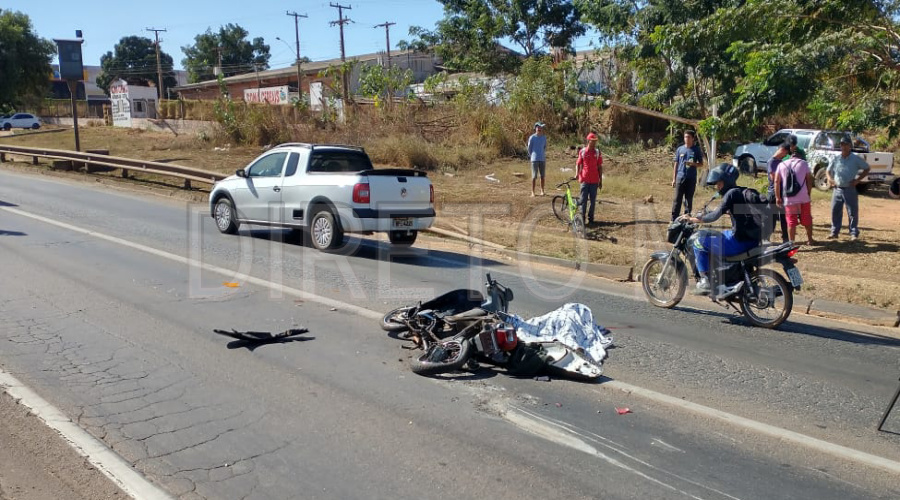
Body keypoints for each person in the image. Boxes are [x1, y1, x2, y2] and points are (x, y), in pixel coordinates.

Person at [686, 163, 767, 295]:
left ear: (726, 181)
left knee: (698, 242)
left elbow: (715, 216)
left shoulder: (730, 194)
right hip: (753, 240)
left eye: (719, 183)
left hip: (738, 242)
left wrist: (693, 219)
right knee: (720, 235)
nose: (717, 187)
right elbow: (722, 210)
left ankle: (705, 280)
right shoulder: (741, 191)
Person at [826, 135, 870, 241]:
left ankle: (854, 233)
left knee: (852, 212)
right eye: (842, 144)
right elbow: (827, 171)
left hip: (850, 189)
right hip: (837, 189)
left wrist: (857, 180)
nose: (844, 147)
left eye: (846, 144)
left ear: (850, 146)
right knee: (835, 211)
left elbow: (867, 168)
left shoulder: (855, 158)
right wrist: (830, 180)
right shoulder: (836, 158)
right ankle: (834, 232)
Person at [775, 146, 815, 245]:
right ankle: (810, 240)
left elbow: (776, 181)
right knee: (807, 218)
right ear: (800, 155)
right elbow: (809, 179)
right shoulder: (804, 164)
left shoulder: (781, 164)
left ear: (790, 155)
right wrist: (808, 193)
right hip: (803, 197)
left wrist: (777, 197)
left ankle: (791, 243)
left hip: (789, 198)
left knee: (791, 221)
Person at [671, 130, 704, 222]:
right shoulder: (680, 149)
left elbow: (701, 164)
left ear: (693, 138)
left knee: (688, 199)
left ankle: (687, 219)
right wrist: (674, 178)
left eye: (688, 137)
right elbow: (676, 164)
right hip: (680, 177)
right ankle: (674, 219)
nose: (686, 139)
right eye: (685, 137)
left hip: (691, 178)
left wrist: (693, 164)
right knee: (677, 199)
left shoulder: (696, 150)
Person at [766, 141, 791, 242]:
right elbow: (773, 178)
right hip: (773, 193)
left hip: (782, 192)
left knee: (784, 217)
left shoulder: (780, 162)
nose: (785, 155)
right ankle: (766, 238)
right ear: (783, 150)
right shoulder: (771, 162)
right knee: (771, 218)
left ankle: (785, 238)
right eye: (786, 153)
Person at [576, 132, 603, 225]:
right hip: (584, 179)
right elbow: (578, 163)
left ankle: (591, 219)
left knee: (593, 201)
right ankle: (582, 219)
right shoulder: (582, 151)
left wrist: (601, 181)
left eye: (595, 141)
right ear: (588, 141)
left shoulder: (597, 152)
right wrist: (577, 173)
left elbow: (600, 167)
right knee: (583, 200)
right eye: (592, 141)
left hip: (595, 180)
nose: (594, 143)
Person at [527, 121, 547, 196]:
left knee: (542, 176)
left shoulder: (544, 137)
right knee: (534, 176)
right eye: (538, 127)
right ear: (535, 128)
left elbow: (544, 147)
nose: (539, 128)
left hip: (542, 159)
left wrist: (541, 154)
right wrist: (532, 155)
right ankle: (533, 191)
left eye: (541, 127)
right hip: (534, 159)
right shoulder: (532, 137)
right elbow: (529, 148)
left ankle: (542, 191)